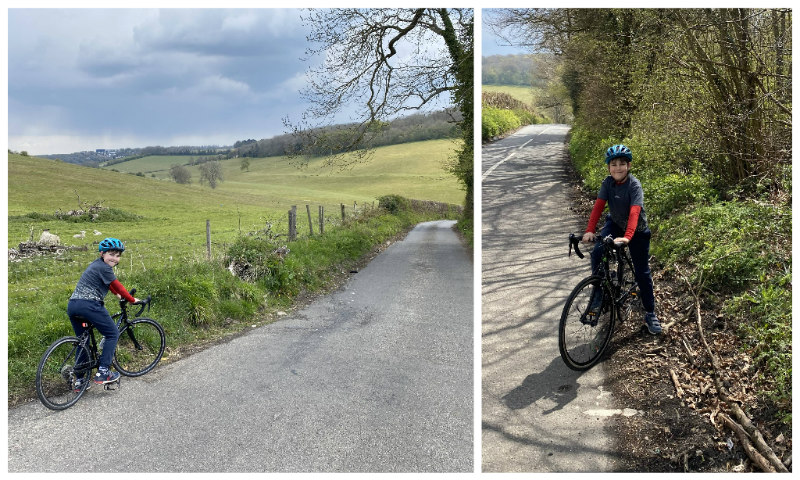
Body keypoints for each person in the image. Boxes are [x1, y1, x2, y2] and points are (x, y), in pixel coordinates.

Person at [581, 144, 661, 334]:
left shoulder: (634, 185)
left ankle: (650, 313)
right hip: (616, 223)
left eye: (622, 164)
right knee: (598, 251)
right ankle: (599, 293)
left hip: (637, 230)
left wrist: (627, 237)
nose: (618, 168)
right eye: (614, 164)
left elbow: (635, 212)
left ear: (629, 166)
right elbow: (598, 207)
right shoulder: (607, 183)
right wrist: (590, 230)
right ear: (609, 167)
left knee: (642, 271)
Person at [68, 237, 140, 387]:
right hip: (90, 305)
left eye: (118, 255)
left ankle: (80, 380)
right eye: (111, 254)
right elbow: (117, 285)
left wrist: (120, 296)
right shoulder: (104, 268)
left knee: (83, 342)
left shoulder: (96, 265)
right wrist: (132, 300)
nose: (115, 258)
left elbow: (110, 286)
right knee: (112, 333)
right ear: (102, 253)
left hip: (73, 305)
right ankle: (103, 372)